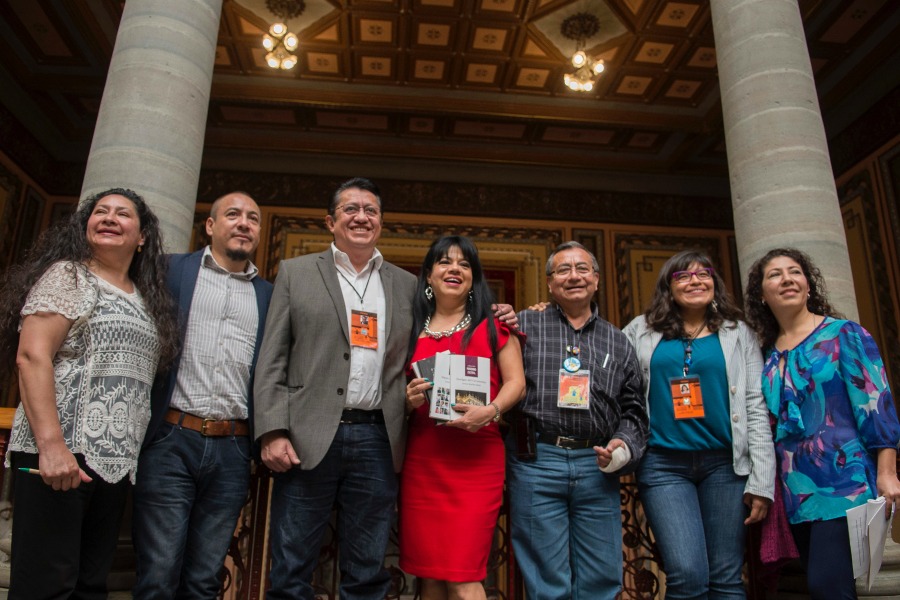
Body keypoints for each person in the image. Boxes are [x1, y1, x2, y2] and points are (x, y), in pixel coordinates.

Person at [253, 178, 516, 599]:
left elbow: (456, 318)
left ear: (381, 222)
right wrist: (272, 429)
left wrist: (503, 311)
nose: (362, 217)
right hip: (307, 435)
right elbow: (272, 359)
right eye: (351, 209)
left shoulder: (406, 286)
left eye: (371, 211)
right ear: (330, 221)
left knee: (367, 568)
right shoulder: (296, 273)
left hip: (378, 438)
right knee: (292, 564)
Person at [0, 188, 179, 599]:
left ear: (142, 236)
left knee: (89, 587)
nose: (109, 218)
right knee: (45, 587)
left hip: (113, 464)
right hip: (59, 456)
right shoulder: (69, 276)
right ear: (85, 226)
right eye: (100, 212)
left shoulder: (145, 298)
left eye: (122, 214)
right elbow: (32, 356)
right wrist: (52, 448)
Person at [131, 192, 273, 599]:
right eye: (233, 215)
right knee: (158, 574)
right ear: (210, 226)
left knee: (204, 579)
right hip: (170, 439)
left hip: (233, 448)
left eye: (253, 218)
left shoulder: (269, 295)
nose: (244, 223)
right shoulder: (170, 270)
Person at [744, 247, 900, 599]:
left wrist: (887, 472)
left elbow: (876, 403)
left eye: (795, 272)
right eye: (775, 275)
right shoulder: (766, 356)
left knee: (826, 586)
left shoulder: (844, 334)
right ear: (761, 295)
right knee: (822, 587)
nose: (787, 279)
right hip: (795, 493)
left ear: (808, 285)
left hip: (844, 481)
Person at [623, 250, 775, 598]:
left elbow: (755, 405)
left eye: (703, 274)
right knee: (687, 574)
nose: (695, 281)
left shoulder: (738, 333)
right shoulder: (640, 330)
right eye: (683, 276)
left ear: (714, 283)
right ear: (668, 287)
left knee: (726, 577)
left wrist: (762, 481)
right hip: (662, 464)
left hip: (726, 466)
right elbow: (610, 374)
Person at [506, 241, 648, 600]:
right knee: (546, 581)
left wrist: (622, 446)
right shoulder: (523, 325)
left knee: (601, 579)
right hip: (537, 460)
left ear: (596, 279)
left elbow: (634, 410)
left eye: (582, 268)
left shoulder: (618, 341)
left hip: (595, 463)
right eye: (563, 270)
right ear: (550, 283)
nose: (574, 276)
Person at [401, 236, 525, 599]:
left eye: (464, 264)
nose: (454, 269)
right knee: (430, 576)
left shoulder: (494, 325)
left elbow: (516, 383)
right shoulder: (409, 329)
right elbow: (395, 391)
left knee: (462, 576)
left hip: (476, 462)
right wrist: (407, 401)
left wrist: (492, 411)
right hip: (424, 460)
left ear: (474, 278)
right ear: (428, 275)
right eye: (444, 262)